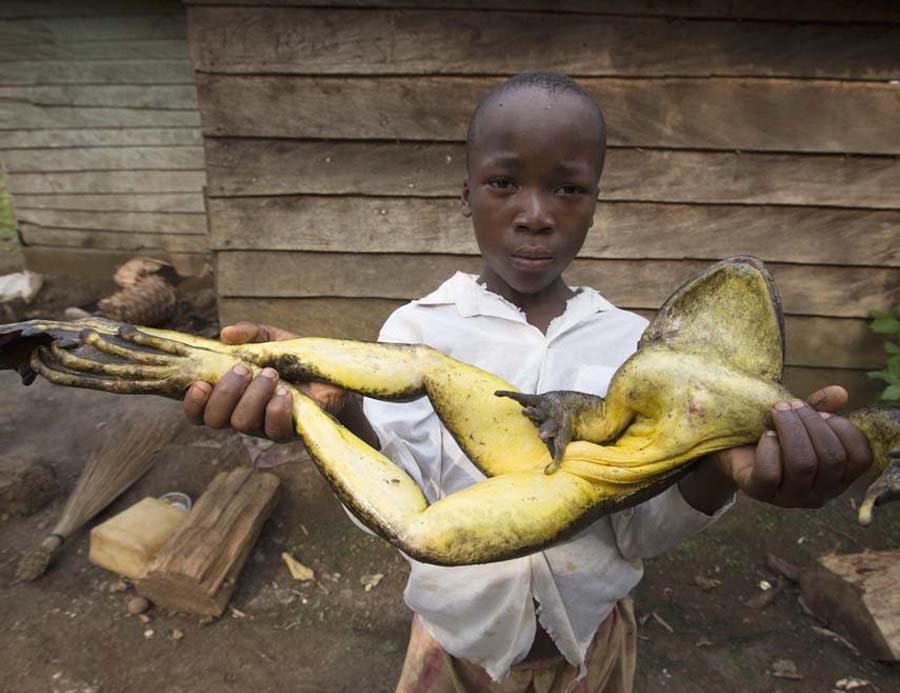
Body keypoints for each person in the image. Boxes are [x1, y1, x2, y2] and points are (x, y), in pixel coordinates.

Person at [182, 73, 872, 692]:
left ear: (596, 202)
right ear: (467, 194)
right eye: (505, 182)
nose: (536, 211)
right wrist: (334, 415)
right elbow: (399, 508)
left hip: (591, 649)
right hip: (454, 648)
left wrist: (717, 469)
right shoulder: (412, 336)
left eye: (568, 187)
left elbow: (637, 531)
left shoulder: (638, 351)